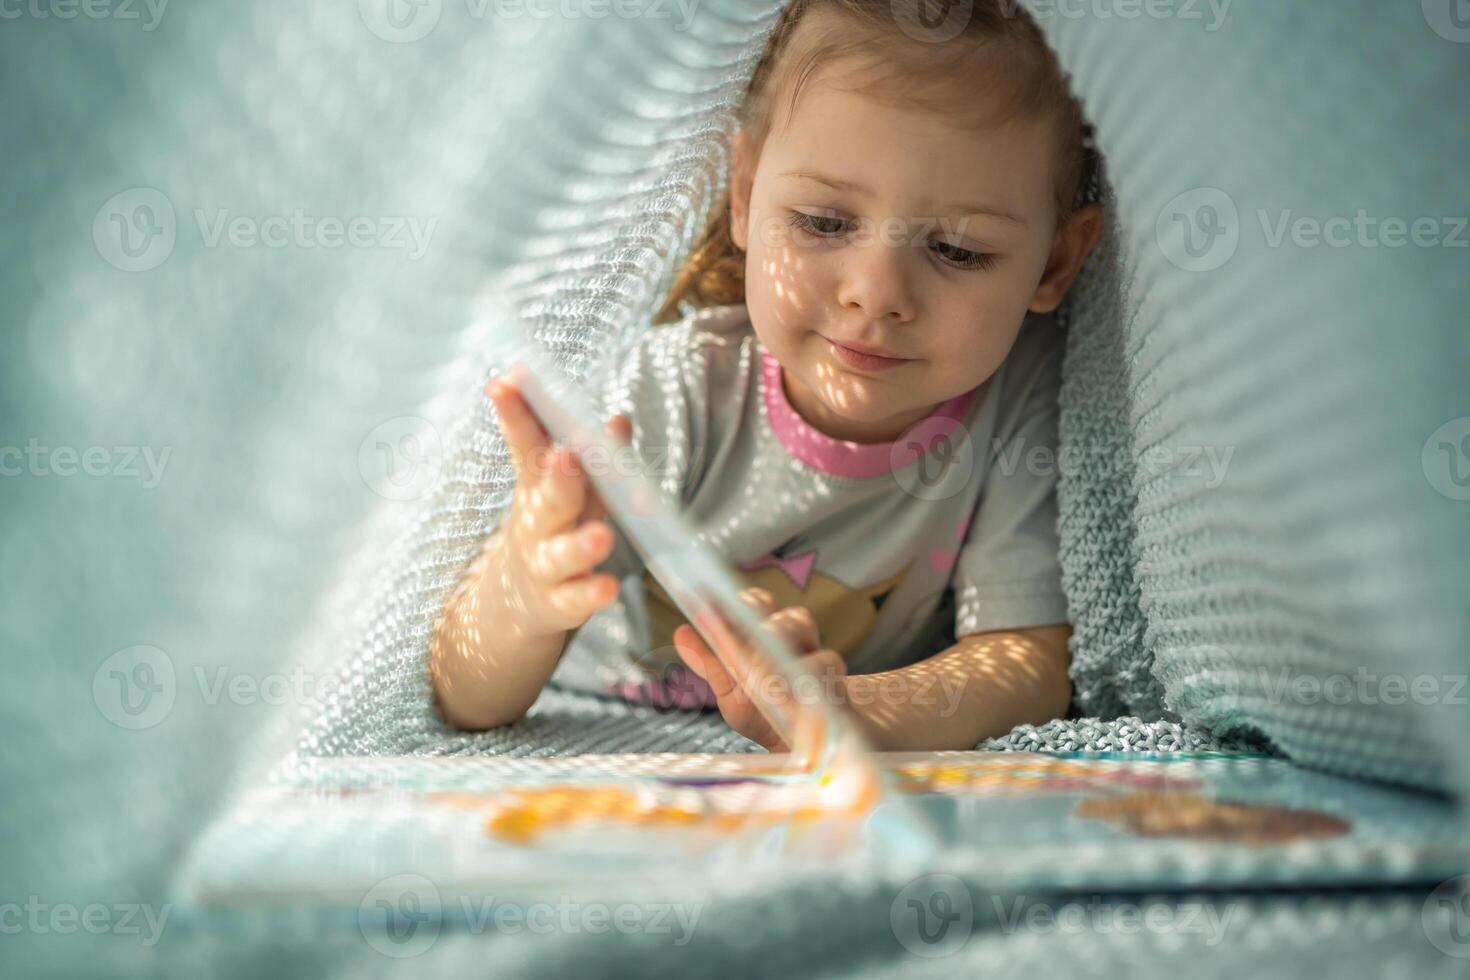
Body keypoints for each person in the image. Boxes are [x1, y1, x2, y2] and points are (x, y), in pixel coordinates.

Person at [431, 0, 1105, 752]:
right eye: (824, 222)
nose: (875, 293)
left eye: (956, 249)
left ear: (1054, 263)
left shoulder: (1021, 397)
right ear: (746, 195)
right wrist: (523, 594)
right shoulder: (672, 391)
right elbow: (466, 698)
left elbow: (1029, 662)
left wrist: (855, 711)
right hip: (607, 719)